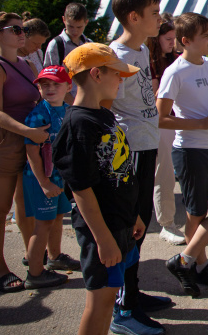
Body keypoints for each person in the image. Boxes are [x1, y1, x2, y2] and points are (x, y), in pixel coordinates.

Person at [51, 43, 143, 335]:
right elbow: (81, 189)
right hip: (101, 230)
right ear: (95, 74)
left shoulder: (103, 114)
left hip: (120, 223)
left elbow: (121, 172)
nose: (122, 79)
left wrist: (134, 216)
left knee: (110, 294)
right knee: (101, 302)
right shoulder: (78, 124)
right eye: (117, 74)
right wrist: (103, 239)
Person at [107, 0, 169, 334]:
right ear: (134, 17)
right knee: (128, 227)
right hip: (128, 151)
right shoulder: (112, 55)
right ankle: (122, 312)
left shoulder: (142, 51)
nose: (160, 18)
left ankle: (132, 292)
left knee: (142, 222)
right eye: (154, 12)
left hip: (146, 145)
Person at [158, 12, 208, 290]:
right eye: (205, 36)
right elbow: (162, 118)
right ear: (185, 41)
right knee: (196, 212)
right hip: (189, 151)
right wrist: (202, 123)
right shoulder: (175, 72)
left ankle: (189, 260)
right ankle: (199, 265)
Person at [0, 12, 45, 293]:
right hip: (4, 142)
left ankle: (33, 261)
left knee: (26, 205)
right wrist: (29, 131)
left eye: (23, 29)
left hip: (30, 142)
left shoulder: (29, 64)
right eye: (15, 29)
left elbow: (41, 98)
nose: (22, 33)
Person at [22, 65, 77, 290]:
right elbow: (31, 152)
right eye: (45, 85)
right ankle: (35, 273)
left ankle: (55, 257)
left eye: (56, 84)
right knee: (42, 224)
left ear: (68, 87)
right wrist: (44, 183)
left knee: (56, 218)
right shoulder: (37, 115)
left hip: (59, 177)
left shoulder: (67, 109)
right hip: (40, 179)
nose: (50, 88)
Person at [147, 14, 186, 246]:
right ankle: (167, 224)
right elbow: (153, 97)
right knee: (163, 174)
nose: (172, 43)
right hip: (160, 124)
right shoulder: (149, 61)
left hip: (178, 121)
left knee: (171, 173)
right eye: (168, 38)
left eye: (174, 39)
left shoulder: (177, 59)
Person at [44, 2, 91, 67]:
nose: (75, 31)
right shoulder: (56, 45)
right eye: (70, 26)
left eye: (79, 27)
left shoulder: (89, 44)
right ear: (64, 20)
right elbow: (50, 74)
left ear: (86, 22)